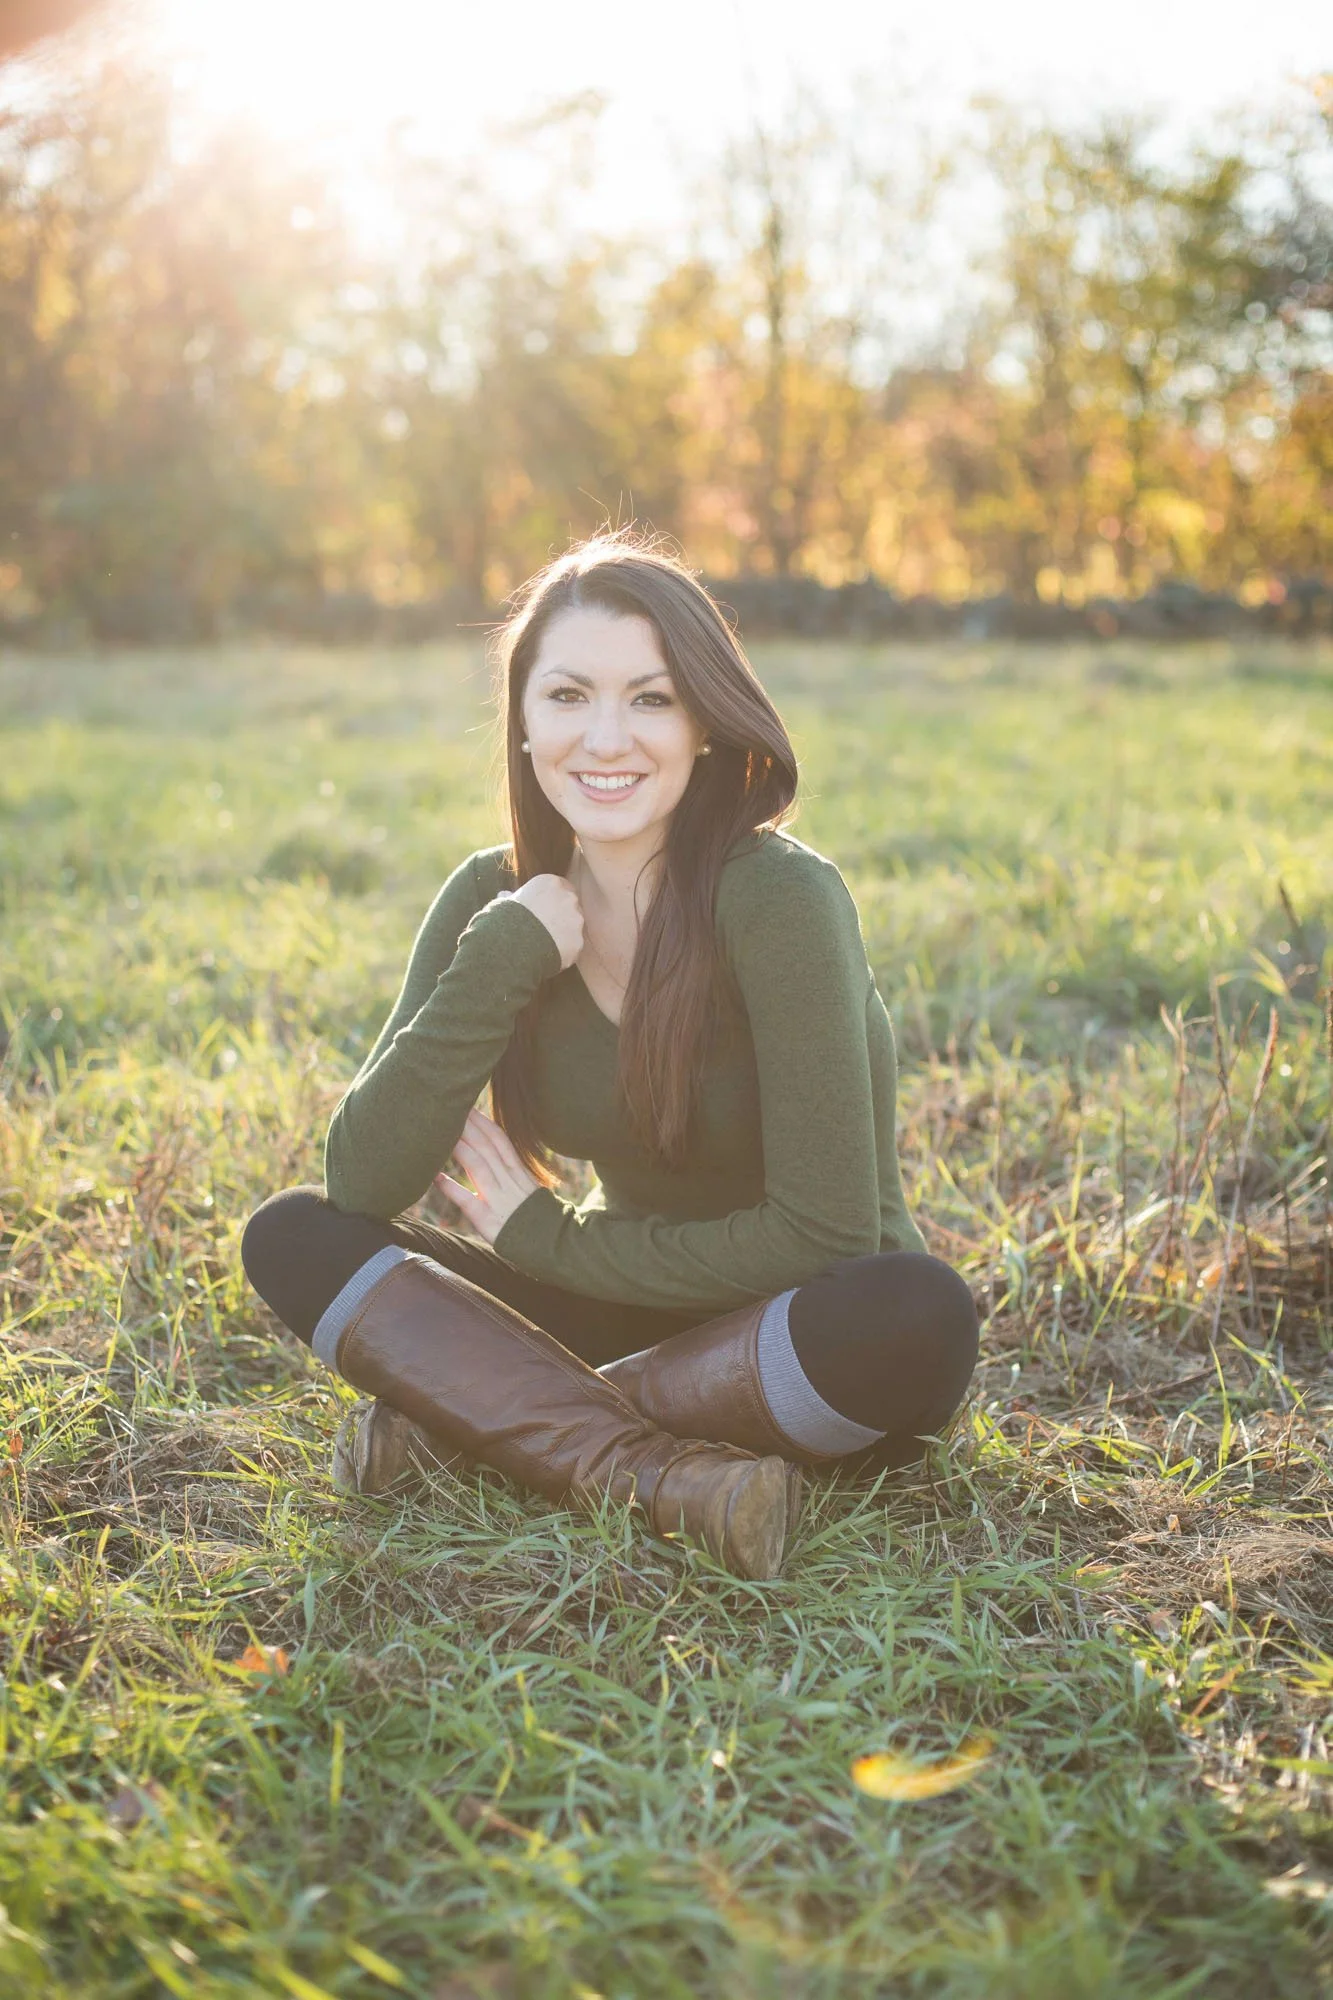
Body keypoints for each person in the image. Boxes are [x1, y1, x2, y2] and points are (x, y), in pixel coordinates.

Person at [241, 531, 979, 1581]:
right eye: (568, 695)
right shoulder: (488, 901)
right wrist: (505, 951)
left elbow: (825, 1235)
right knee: (293, 1237)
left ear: (704, 725)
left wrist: (547, 1238)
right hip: (613, 1307)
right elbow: (362, 1179)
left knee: (919, 1306)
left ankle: (476, 1433)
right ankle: (667, 1476)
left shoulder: (781, 900)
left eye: (649, 698)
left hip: (797, 1332)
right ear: (525, 723)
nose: (605, 738)